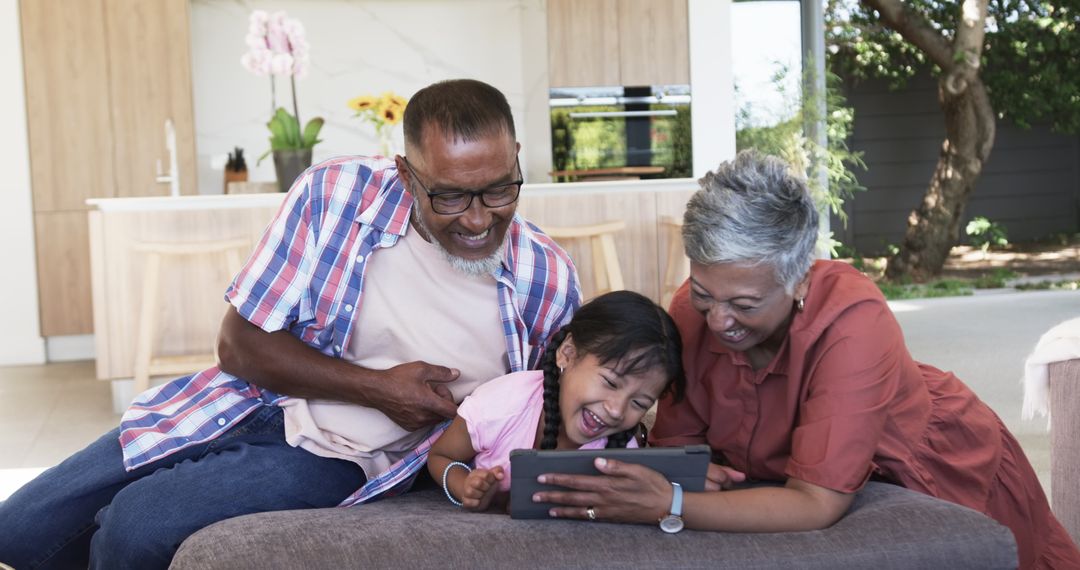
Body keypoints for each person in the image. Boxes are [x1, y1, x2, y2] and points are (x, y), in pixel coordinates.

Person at [0, 79, 581, 570]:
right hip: (252, 401)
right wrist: (378, 389)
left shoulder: (546, 279)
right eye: (451, 197)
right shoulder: (337, 195)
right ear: (406, 174)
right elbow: (238, 344)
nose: (480, 219)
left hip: (341, 457)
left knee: (136, 524)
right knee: (18, 528)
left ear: (517, 160)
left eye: (500, 189)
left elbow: (545, 414)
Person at [530, 150, 1080, 569]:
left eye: (744, 304)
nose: (718, 321)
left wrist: (670, 501)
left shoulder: (852, 318)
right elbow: (679, 450)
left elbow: (816, 502)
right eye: (704, 292)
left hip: (927, 470)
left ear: (799, 280)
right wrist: (688, 476)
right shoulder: (690, 313)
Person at [427, 290, 684, 512]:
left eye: (639, 403)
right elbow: (441, 455)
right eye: (610, 382)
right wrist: (465, 488)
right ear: (568, 354)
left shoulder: (623, 450)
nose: (616, 410)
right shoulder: (501, 404)